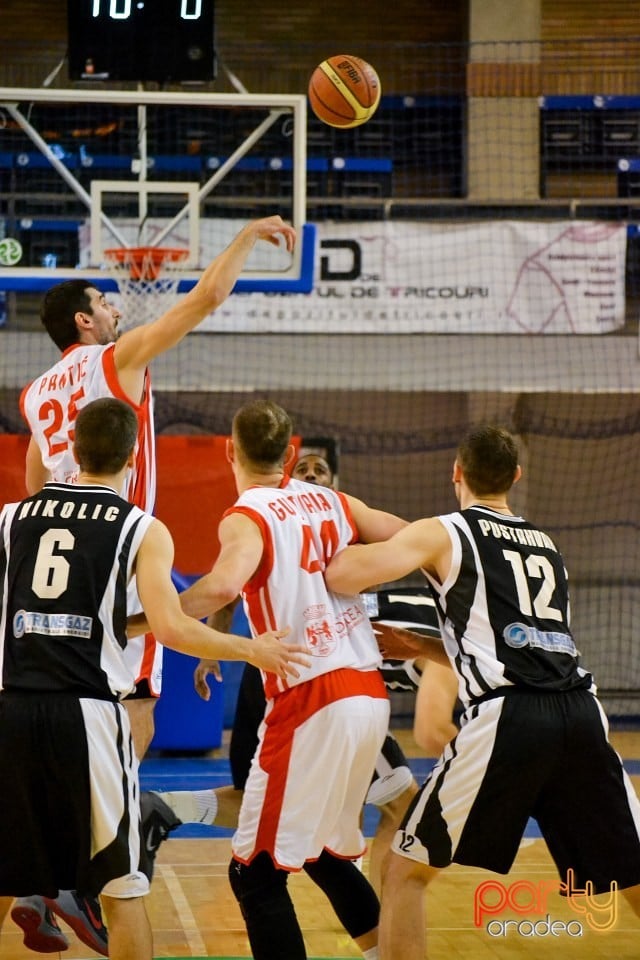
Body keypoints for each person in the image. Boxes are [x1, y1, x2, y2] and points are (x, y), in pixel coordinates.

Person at [12, 214, 296, 952]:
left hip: (51, 551)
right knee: (130, 715)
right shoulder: (114, 361)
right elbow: (203, 300)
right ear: (84, 319)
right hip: (116, 548)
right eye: (106, 301)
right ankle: (87, 870)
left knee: (66, 704)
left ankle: (50, 870)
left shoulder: (36, 391)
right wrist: (245, 237)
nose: (116, 307)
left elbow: (36, 475)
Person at [0, 398, 309, 960]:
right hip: (88, 715)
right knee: (123, 889)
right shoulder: (140, 528)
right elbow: (172, 628)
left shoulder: (11, 517)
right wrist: (251, 649)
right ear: (135, 455)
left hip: (11, 708)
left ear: (71, 447)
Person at [325, 423, 640, 960]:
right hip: (583, 713)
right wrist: (425, 648)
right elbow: (525, 650)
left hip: (508, 719)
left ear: (457, 473)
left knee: (403, 872)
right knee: (631, 871)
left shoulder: (443, 531)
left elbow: (343, 576)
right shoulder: (546, 544)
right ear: (515, 476)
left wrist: (330, 520)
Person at [173, 400, 409, 960]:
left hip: (311, 694)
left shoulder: (246, 514)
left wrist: (147, 618)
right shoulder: (334, 501)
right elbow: (412, 537)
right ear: (292, 453)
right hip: (368, 694)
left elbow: (224, 585)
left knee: (253, 874)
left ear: (230, 451)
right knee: (324, 852)